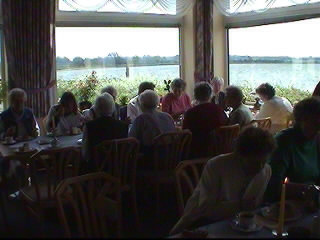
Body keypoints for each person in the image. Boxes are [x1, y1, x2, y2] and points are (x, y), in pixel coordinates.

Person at [170, 127, 275, 235]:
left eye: (264, 161)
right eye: (255, 162)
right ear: (239, 155)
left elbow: (254, 207)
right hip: (199, 223)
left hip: (237, 225)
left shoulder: (266, 171)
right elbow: (206, 210)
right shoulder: (217, 167)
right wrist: (240, 205)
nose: (260, 167)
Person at [265, 97, 320, 203]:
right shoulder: (283, 141)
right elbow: (273, 186)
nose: (318, 128)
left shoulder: (315, 140)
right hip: (287, 207)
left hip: (311, 203)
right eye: (315, 123)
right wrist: (306, 189)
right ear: (300, 120)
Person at [183, 82, 228, 158]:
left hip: (197, 152)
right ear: (210, 95)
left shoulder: (191, 113)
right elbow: (226, 125)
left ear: (195, 96)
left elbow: (185, 133)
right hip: (219, 150)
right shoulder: (219, 110)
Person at [82, 93, 128, 167]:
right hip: (119, 169)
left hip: (95, 171)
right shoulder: (122, 125)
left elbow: (85, 154)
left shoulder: (89, 126)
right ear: (112, 108)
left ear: (96, 108)